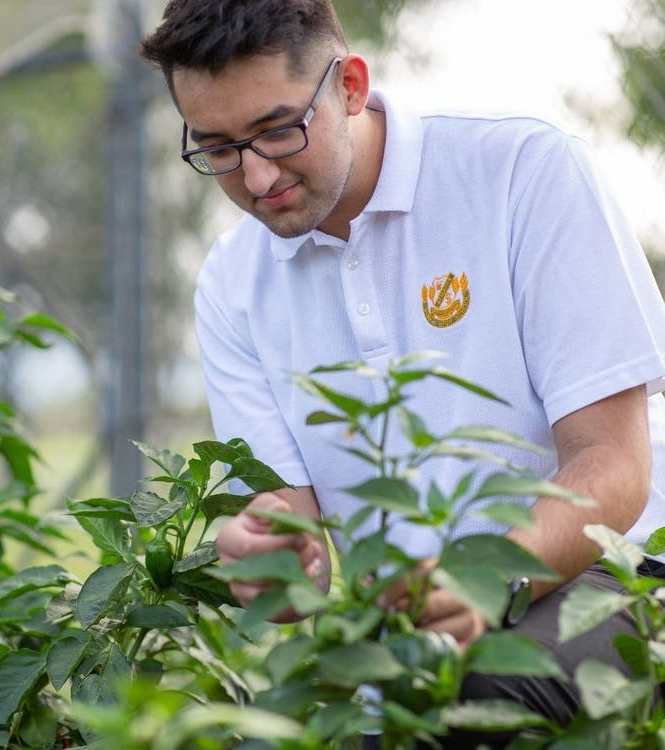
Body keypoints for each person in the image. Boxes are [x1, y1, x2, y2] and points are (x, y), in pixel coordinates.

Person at [140, 1, 665, 745]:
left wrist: (482, 581)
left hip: (619, 575)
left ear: (350, 85)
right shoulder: (233, 283)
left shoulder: (519, 172)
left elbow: (614, 467)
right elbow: (302, 553)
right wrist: (265, 563)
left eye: (278, 130)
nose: (256, 178)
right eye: (217, 148)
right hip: (414, 619)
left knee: (454, 695)